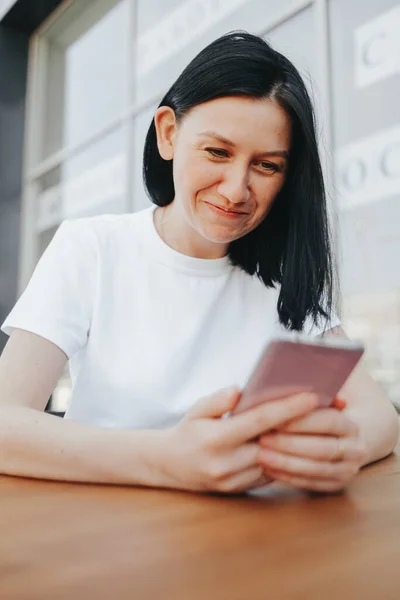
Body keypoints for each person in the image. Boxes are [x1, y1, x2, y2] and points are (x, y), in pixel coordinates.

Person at [0, 32, 398, 494]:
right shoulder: (91, 247)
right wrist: (169, 459)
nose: (235, 190)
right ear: (168, 133)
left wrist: (341, 448)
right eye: (217, 152)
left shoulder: (285, 279)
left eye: (267, 166)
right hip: (105, 535)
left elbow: (380, 418)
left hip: (247, 540)